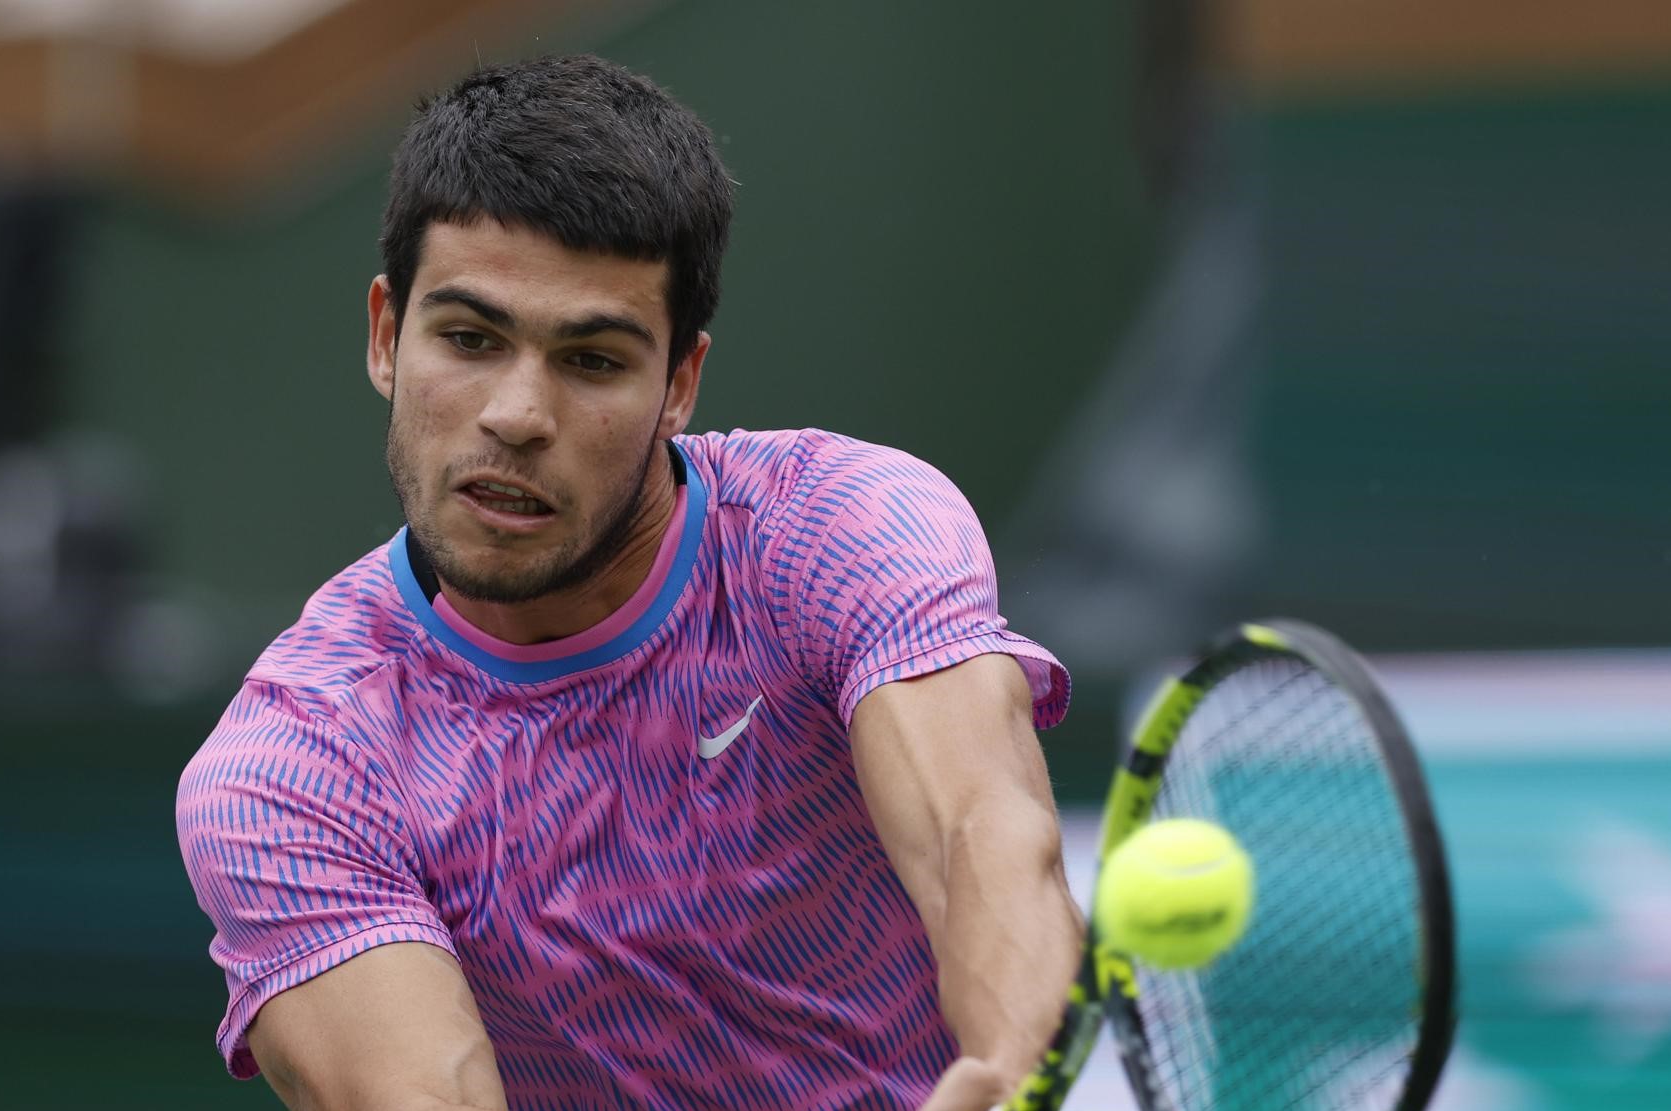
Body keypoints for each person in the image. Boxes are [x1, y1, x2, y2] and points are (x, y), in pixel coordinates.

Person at [177, 54, 1081, 1111]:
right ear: (386, 334)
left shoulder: (839, 527)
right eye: (469, 339)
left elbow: (979, 831)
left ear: (679, 385)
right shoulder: (294, 771)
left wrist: (1009, 1082)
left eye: (594, 360)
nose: (517, 412)